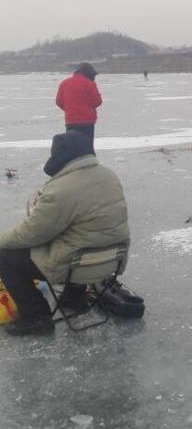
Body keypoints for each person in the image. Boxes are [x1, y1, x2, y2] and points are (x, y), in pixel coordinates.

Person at [0, 130, 129, 336]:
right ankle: (73, 296)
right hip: (111, 261)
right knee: (81, 235)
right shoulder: (108, 175)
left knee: (6, 256)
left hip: (77, 267)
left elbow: (32, 234)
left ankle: (36, 318)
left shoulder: (62, 189)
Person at [56, 62, 102, 151]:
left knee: (72, 148)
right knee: (87, 148)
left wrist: (70, 109)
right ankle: (88, 164)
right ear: (89, 74)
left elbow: (59, 102)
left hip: (70, 122)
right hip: (87, 122)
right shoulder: (89, 84)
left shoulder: (64, 83)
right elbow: (97, 102)